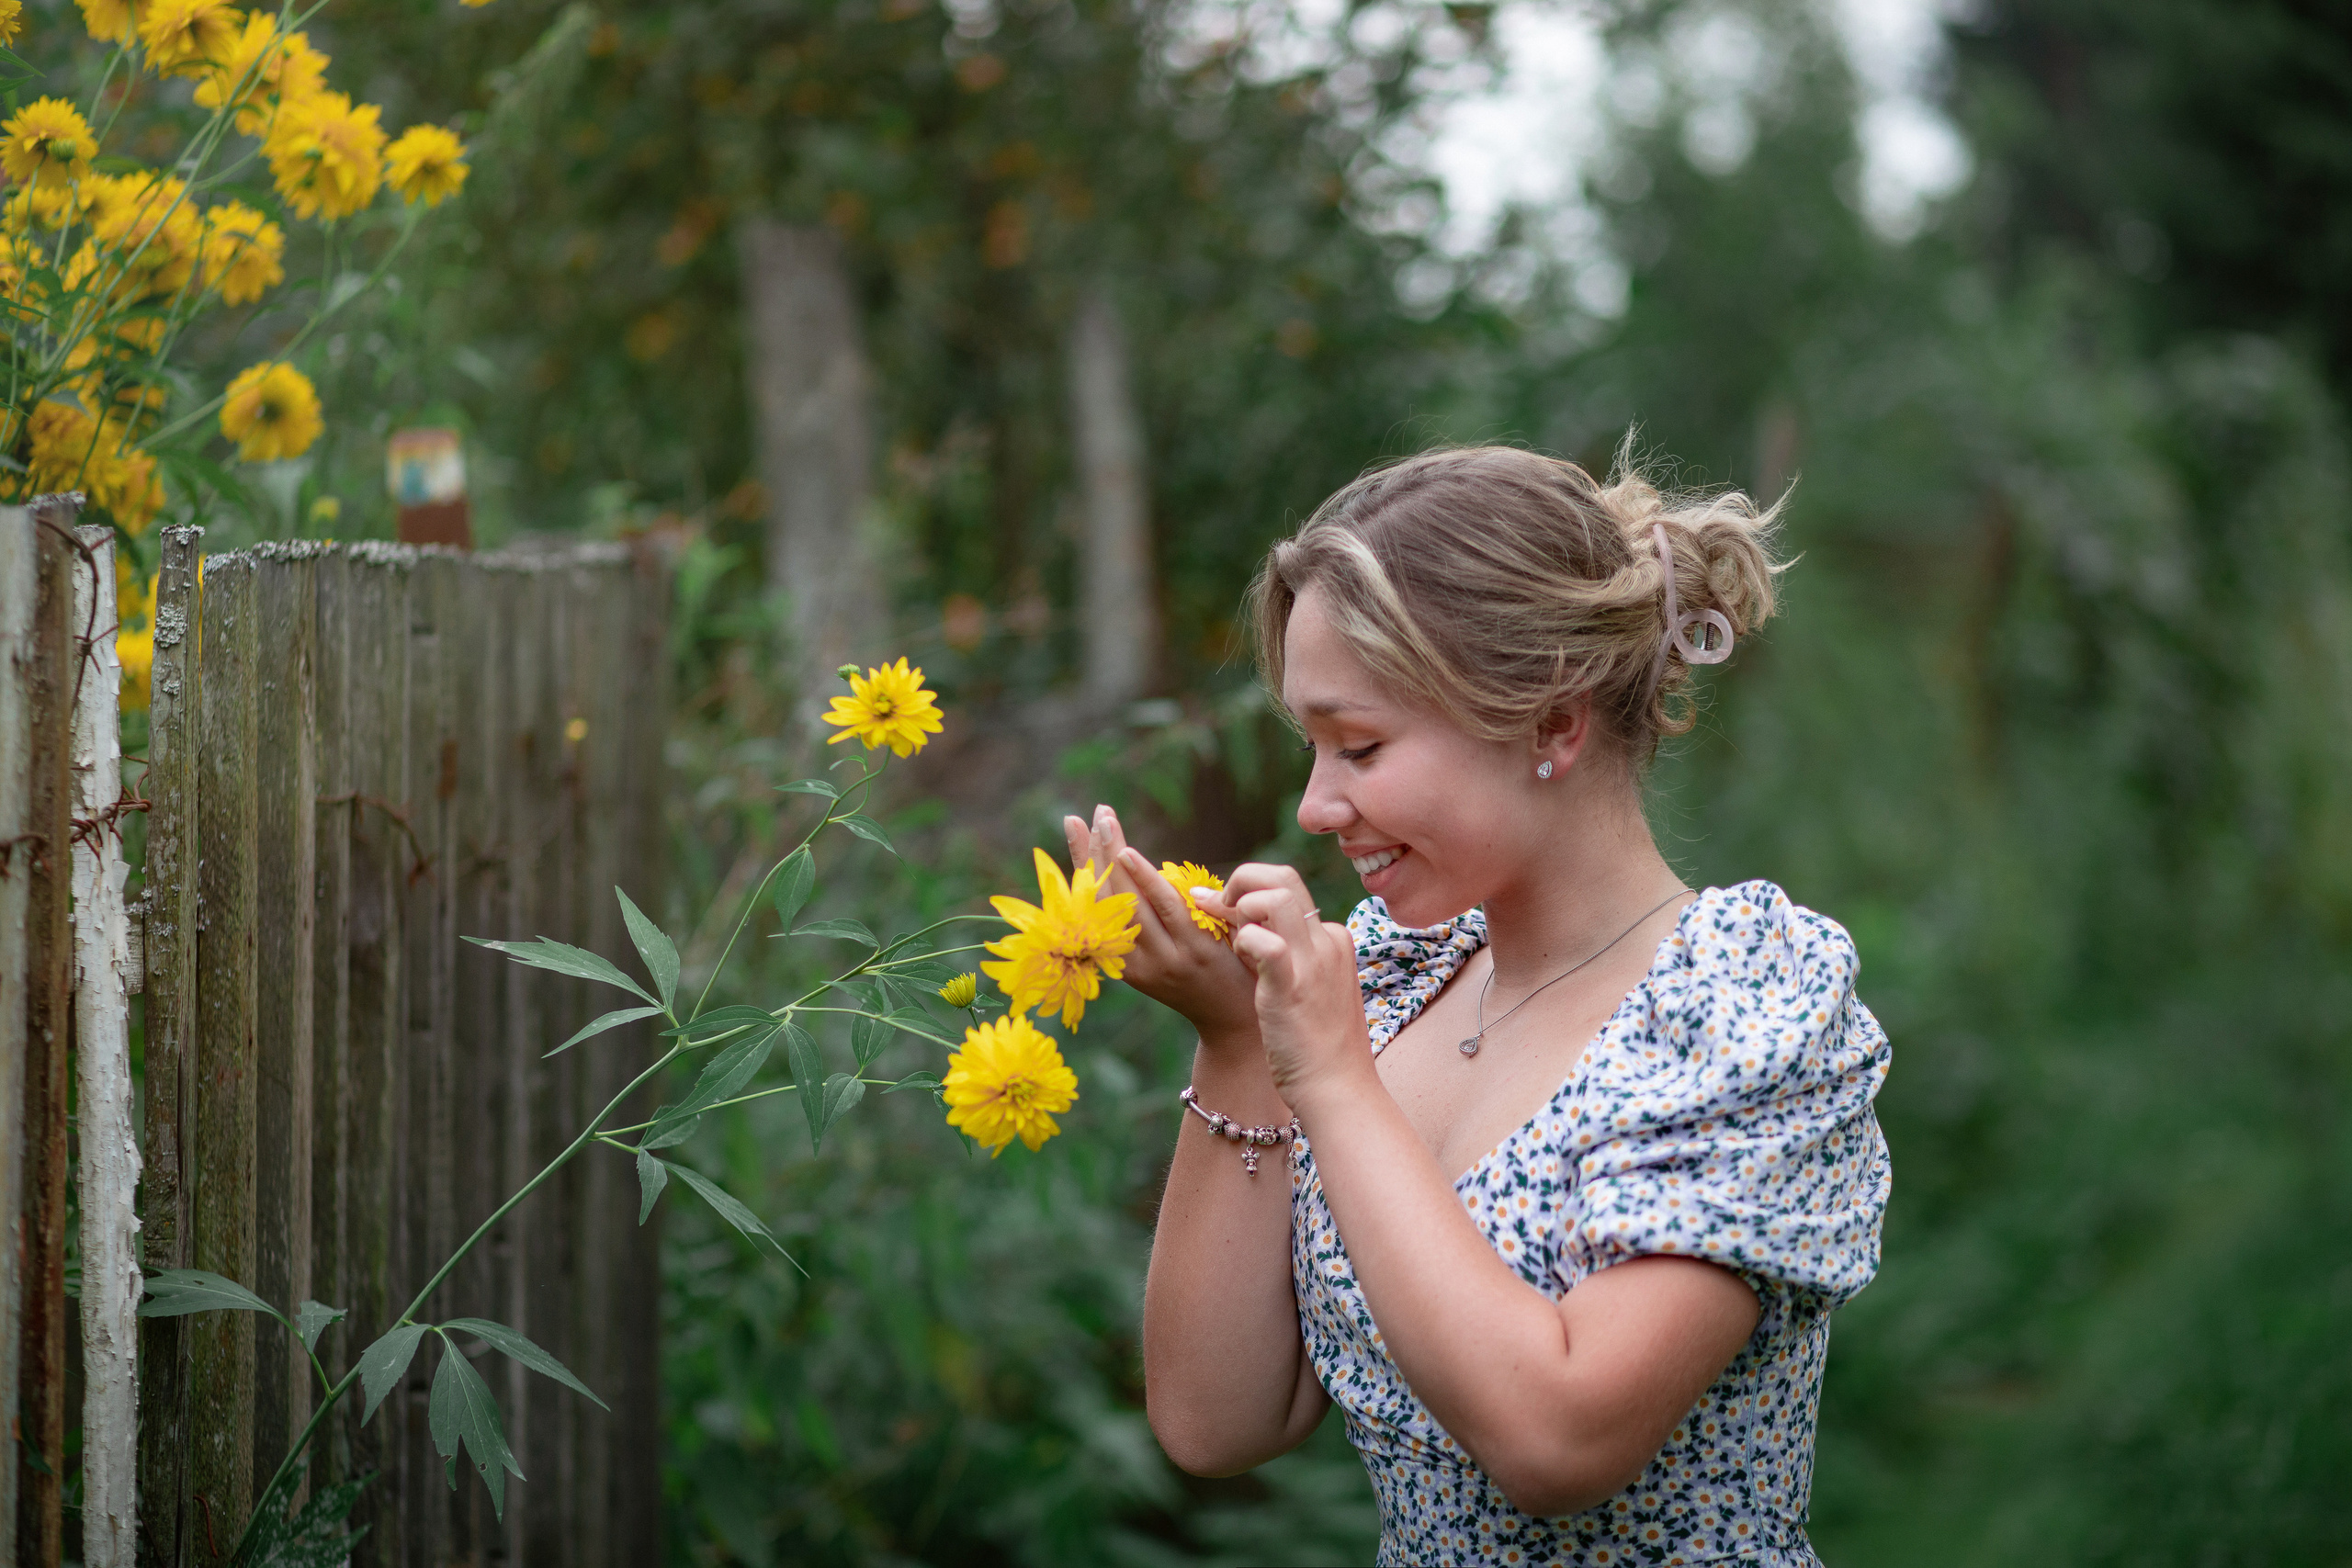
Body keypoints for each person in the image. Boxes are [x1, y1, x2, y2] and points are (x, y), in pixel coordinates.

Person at [1063, 445, 1892, 1565]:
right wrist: (1238, 1040)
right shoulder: (1398, 977)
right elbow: (1215, 1422)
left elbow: (1556, 1440)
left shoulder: (1741, 1008)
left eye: (1359, 745)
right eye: (1312, 747)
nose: (1313, 806)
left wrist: (1329, 1075)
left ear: (1553, 721)